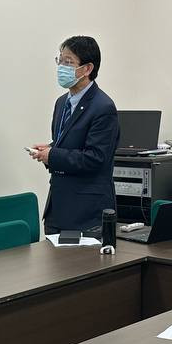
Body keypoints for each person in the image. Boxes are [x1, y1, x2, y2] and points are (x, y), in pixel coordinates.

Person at [29, 35, 119, 235]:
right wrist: (48, 150)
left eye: (68, 62)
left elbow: (95, 158)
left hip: (86, 213)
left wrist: (53, 155)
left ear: (87, 69)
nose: (61, 67)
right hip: (58, 209)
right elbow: (67, 143)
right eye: (60, 60)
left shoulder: (103, 107)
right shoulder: (62, 102)